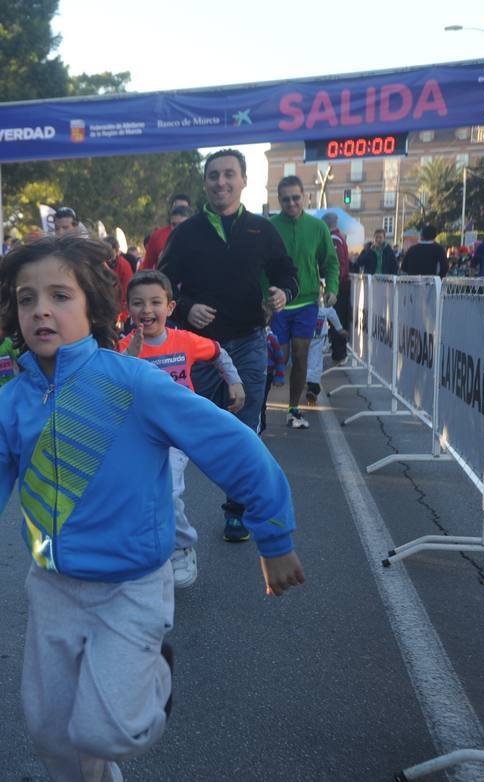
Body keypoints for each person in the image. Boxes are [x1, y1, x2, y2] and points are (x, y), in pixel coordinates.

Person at [0, 235, 303, 782]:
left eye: (59, 296)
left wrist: (274, 536)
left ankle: (157, 676)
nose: (41, 310)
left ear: (94, 308)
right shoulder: (10, 402)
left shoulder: (134, 382)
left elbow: (231, 445)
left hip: (131, 586)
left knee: (108, 727)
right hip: (53, 588)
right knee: (50, 727)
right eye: (26, 299)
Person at [159, 148, 298, 542]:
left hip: (248, 342)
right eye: (214, 175)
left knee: (244, 429)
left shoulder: (261, 229)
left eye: (229, 175)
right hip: (198, 348)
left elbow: (287, 272)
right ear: (205, 182)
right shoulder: (185, 233)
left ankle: (236, 510)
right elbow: (162, 284)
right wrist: (185, 305)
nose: (221, 182)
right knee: (184, 430)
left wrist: (283, 291)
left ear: (243, 180)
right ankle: (164, 512)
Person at [119, 269, 243, 590]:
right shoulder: (122, 347)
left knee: (168, 490)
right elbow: (107, 389)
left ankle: (182, 545)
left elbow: (218, 352)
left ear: (170, 308)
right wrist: (127, 361)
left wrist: (235, 382)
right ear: (129, 309)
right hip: (140, 435)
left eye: (155, 302)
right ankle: (150, 548)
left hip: (178, 432)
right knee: (141, 493)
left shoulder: (184, 340)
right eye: (138, 303)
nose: (147, 310)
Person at [268, 176, 338, 429]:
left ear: (305, 197)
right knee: (280, 356)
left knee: (300, 354)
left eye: (296, 197)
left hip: (307, 302)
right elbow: (260, 263)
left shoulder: (317, 228)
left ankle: (293, 408)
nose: (291, 203)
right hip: (277, 303)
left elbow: (330, 262)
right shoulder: (271, 226)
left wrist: (332, 288)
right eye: (286, 199)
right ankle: (260, 409)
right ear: (279, 200)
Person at [321, 212, 352, 364]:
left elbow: (335, 264)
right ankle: (338, 352)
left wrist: (332, 287)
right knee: (335, 320)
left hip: (338, 287)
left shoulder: (333, 240)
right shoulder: (339, 238)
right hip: (340, 285)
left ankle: (340, 354)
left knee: (336, 320)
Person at [304, 304, 348, 404]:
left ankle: (309, 385)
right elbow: (332, 313)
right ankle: (312, 387)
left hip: (303, 336)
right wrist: (339, 329)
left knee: (304, 360)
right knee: (315, 363)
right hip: (317, 338)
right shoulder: (323, 306)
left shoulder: (303, 302)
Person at [141, 193, 193, 270]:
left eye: (183, 208)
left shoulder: (198, 236)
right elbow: (146, 267)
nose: (179, 210)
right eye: (176, 207)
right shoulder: (157, 236)